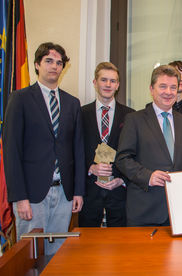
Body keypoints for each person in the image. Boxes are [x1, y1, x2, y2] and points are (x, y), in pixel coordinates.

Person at [3, 42, 85, 255]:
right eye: (49, 61)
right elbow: (11, 152)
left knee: (57, 255)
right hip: (31, 195)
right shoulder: (20, 99)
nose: (54, 67)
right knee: (29, 256)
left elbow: (77, 150)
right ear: (37, 65)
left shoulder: (72, 103)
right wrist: (19, 197)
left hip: (64, 194)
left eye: (59, 63)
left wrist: (78, 191)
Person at [115, 65, 182, 226]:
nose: (168, 92)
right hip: (145, 211)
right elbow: (122, 158)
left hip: (180, 210)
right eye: (162, 86)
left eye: (173, 87)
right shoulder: (134, 120)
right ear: (151, 89)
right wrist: (148, 176)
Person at [78, 62, 134, 227]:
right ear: (95, 82)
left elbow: (135, 154)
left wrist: (122, 179)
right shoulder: (80, 114)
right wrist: (90, 168)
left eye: (112, 81)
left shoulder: (131, 116)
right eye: (104, 80)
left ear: (117, 85)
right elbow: (75, 152)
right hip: (89, 194)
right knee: (88, 249)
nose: (108, 85)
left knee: (120, 248)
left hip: (119, 194)